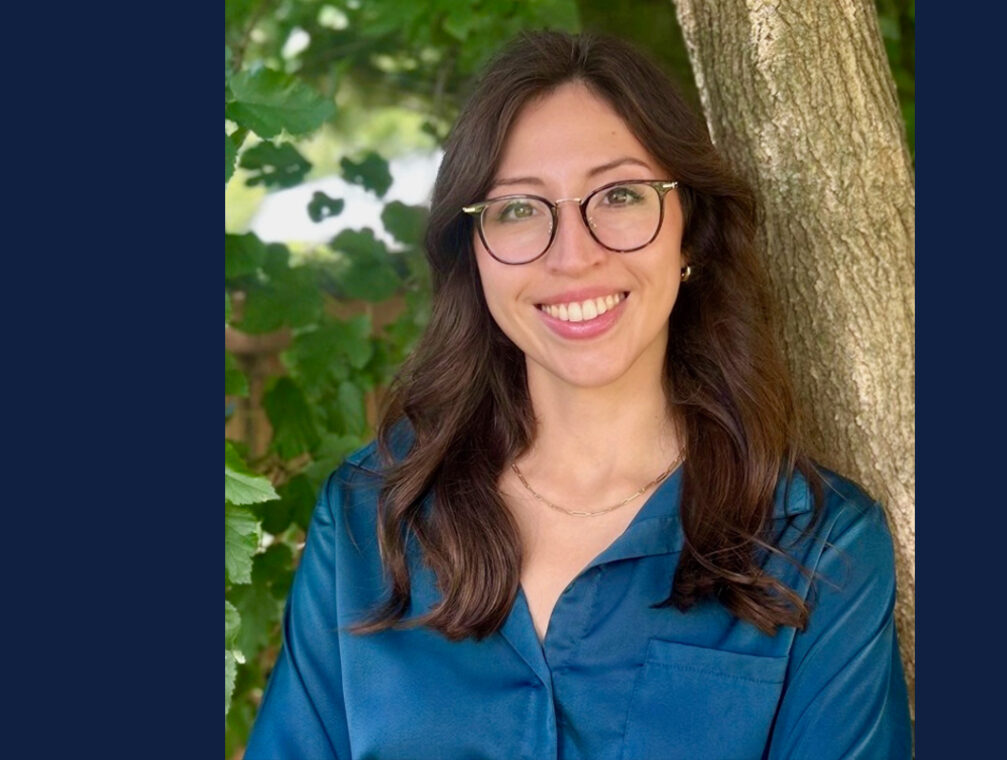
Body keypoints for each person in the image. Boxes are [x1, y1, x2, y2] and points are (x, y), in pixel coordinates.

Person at [245, 30, 912, 760]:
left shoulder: (818, 546)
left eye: (620, 195)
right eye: (518, 209)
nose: (574, 255)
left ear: (690, 231)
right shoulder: (368, 517)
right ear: (474, 255)